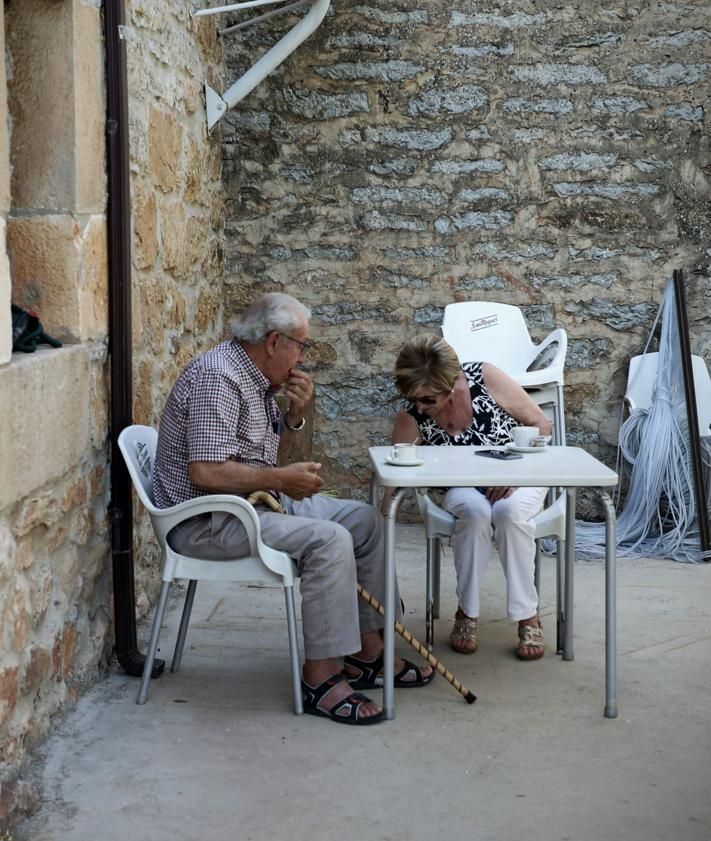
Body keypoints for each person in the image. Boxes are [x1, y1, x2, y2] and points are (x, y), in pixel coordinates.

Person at [153, 293, 433, 725]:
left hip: (252, 506)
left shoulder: (258, 380)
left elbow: (274, 463)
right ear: (272, 341)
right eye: (301, 345)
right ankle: (320, 678)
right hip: (208, 520)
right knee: (330, 540)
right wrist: (281, 481)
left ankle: (367, 652)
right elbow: (206, 472)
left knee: (365, 521)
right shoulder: (219, 378)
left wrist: (297, 417)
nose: (303, 356)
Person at [392, 335, 552, 661]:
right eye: (412, 398)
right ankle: (468, 611)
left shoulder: (485, 378)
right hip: (461, 487)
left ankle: (527, 616)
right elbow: (394, 472)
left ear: (451, 384)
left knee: (509, 513)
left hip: (520, 473)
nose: (418, 407)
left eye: (426, 399)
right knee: (476, 513)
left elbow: (541, 424)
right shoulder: (412, 416)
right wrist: (384, 516)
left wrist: (513, 476)